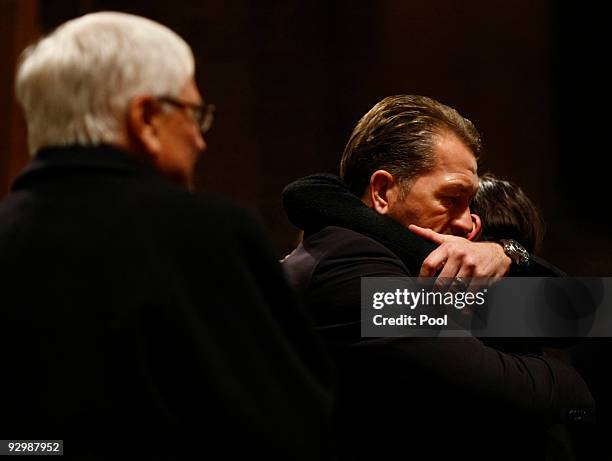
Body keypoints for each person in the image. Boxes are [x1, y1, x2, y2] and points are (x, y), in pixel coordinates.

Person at [0, 12, 333, 458]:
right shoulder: (207, 236)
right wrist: (457, 302)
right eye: (194, 114)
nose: (201, 140)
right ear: (146, 118)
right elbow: (283, 426)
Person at [281, 95, 594, 460]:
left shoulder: (397, 263)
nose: (466, 222)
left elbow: (574, 313)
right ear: (383, 191)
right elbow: (493, 387)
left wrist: (505, 253)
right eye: (452, 198)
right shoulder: (349, 269)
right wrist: (577, 390)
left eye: (471, 203)